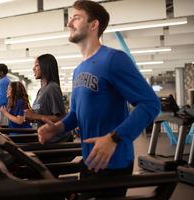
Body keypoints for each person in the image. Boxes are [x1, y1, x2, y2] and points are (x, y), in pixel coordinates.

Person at [37, 0, 161, 199]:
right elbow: (77, 114)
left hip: (113, 162)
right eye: (70, 19)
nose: (69, 23)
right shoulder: (78, 70)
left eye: (76, 18)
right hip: (90, 160)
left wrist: (115, 137)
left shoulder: (113, 59)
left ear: (94, 25)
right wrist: (57, 127)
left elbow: (150, 104)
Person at [23, 54, 72, 144]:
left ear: (46, 67)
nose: (33, 69)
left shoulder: (52, 87)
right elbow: (45, 115)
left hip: (58, 141)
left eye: (36, 65)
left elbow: (61, 117)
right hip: (45, 139)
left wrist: (35, 116)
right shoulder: (41, 90)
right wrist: (33, 118)